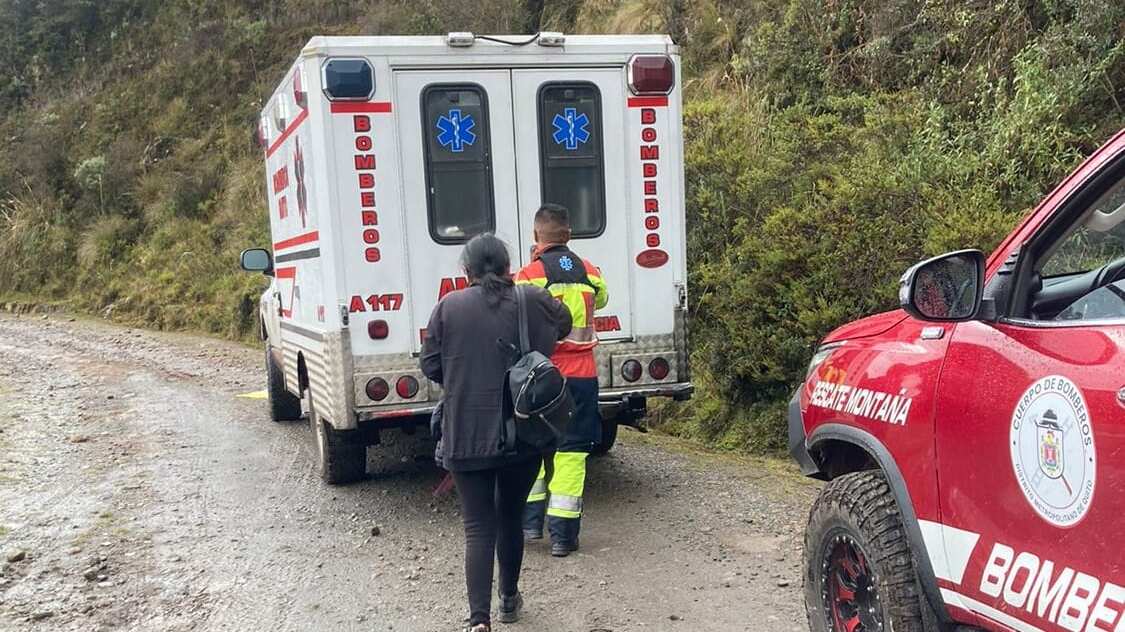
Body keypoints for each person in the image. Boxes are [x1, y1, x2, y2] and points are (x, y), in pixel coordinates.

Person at [420, 233, 571, 632]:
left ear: (466, 271)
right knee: (509, 515)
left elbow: (431, 366)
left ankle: (478, 621)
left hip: (466, 431)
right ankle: (508, 599)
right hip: (523, 431)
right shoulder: (531, 298)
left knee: (478, 526)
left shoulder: (448, 308)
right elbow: (566, 323)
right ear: (508, 267)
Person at [517, 203, 609, 557]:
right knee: (572, 453)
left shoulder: (529, 274)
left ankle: (529, 524)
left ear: (536, 236)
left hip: (543, 377)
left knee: (534, 449)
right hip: (583, 376)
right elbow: (602, 297)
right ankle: (563, 538)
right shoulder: (590, 272)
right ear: (569, 235)